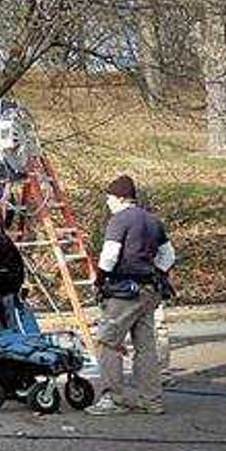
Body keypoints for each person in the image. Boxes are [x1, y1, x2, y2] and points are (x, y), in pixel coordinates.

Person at [86, 175, 176, 416]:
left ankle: (113, 400)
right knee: (146, 348)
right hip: (150, 290)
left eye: (109, 198)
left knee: (108, 342)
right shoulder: (153, 221)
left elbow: (109, 256)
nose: (107, 203)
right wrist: (154, 271)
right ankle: (151, 400)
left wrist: (100, 280)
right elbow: (169, 257)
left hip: (125, 291)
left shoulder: (119, 221)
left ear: (119, 198)